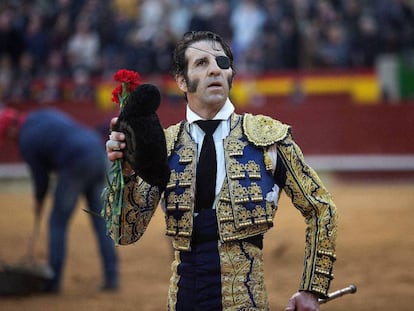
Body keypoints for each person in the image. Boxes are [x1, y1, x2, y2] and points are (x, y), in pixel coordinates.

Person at [105, 31, 338, 310]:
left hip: (245, 301)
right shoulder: (163, 146)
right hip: (182, 300)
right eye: (201, 63)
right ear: (181, 80)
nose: (215, 69)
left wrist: (312, 288)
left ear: (230, 75)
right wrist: (127, 173)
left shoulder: (266, 138)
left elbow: (321, 207)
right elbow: (124, 233)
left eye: (222, 63)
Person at [0, 107, 119, 293]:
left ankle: (53, 283)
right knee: (101, 221)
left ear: (11, 129)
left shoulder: (25, 139)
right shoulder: (40, 114)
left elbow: (41, 178)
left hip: (74, 163)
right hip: (96, 153)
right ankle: (112, 277)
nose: (10, 139)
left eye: (7, 135)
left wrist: (39, 201)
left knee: (57, 222)